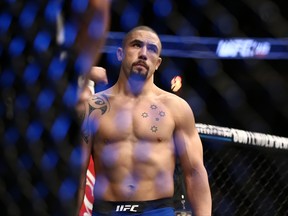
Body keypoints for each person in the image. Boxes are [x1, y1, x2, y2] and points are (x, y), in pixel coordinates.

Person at [76, 25, 212, 216]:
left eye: (152, 49)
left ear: (158, 63)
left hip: (158, 210)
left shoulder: (175, 107)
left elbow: (195, 172)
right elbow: (78, 174)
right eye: (136, 45)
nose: (143, 54)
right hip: (106, 211)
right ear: (120, 54)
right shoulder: (93, 107)